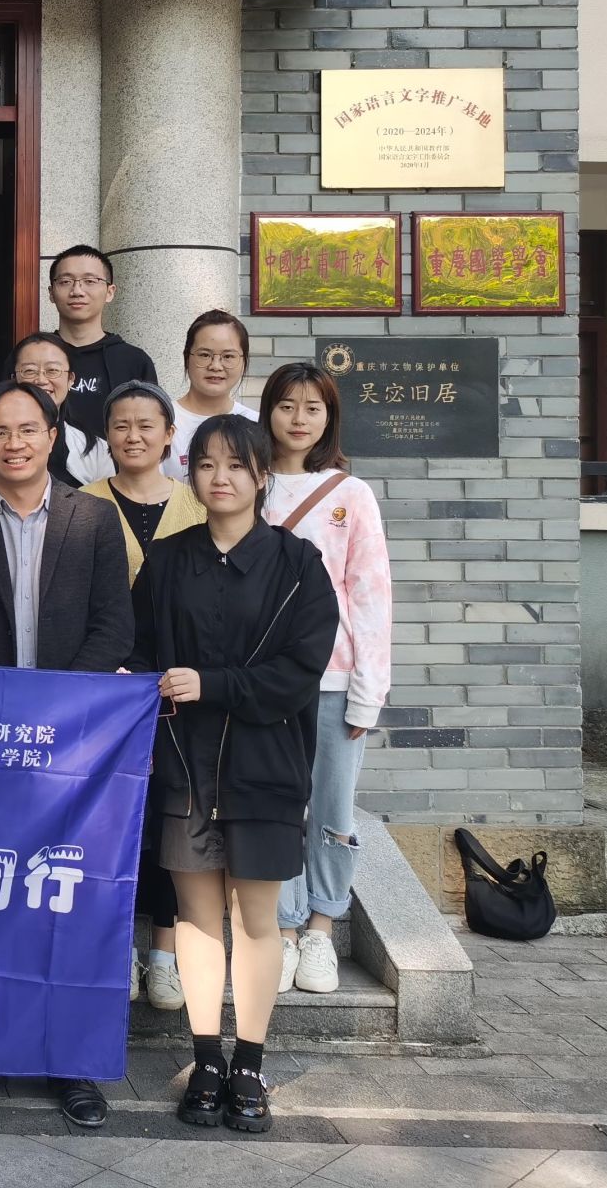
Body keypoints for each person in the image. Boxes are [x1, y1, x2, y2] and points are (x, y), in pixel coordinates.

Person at [0, 379, 133, 1129]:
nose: (13, 443)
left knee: (64, 904)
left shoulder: (95, 520)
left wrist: (54, 711)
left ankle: (69, 1064)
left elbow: (114, 628)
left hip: (74, 751)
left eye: (27, 429)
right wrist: (2, 709)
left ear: (52, 436)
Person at [129, 414, 339, 1134]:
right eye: (207, 465)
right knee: (195, 918)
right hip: (184, 766)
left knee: (256, 919)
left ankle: (250, 1061)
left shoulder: (298, 565)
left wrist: (211, 684)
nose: (220, 478)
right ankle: (206, 1059)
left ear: (261, 476)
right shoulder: (167, 561)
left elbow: (299, 673)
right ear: (190, 473)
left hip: (265, 768)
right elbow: (139, 651)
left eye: (236, 465)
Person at [259, 362, 394, 998]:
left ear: (329, 417)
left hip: (335, 680)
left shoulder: (351, 493)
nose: (298, 419)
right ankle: (284, 930)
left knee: (333, 810)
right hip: (265, 679)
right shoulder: (249, 482)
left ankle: (321, 927)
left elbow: (370, 595)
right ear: (268, 411)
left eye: (313, 408)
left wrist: (369, 690)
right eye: (287, 405)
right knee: (279, 807)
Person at [79, 378, 207, 1015]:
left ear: (169, 434)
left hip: (181, 692)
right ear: (106, 435)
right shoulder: (81, 504)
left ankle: (164, 953)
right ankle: (119, 950)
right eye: (121, 425)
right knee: (114, 823)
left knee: (171, 821)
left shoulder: (199, 504)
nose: (133, 436)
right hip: (109, 693)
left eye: (146, 425)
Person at [47, 245, 157, 445]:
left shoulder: (134, 361)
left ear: (110, 292)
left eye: (90, 281)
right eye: (65, 282)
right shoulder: (31, 358)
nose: (77, 291)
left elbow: (150, 427)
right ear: (51, 293)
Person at [166, 311, 258, 480]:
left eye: (228, 356)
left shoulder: (256, 425)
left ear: (244, 361)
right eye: (204, 355)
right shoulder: (162, 421)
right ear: (187, 358)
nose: (215, 366)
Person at [10, 331, 102, 486]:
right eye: (29, 371)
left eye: (52, 370)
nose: (41, 380)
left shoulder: (95, 448)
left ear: (70, 379)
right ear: (14, 379)